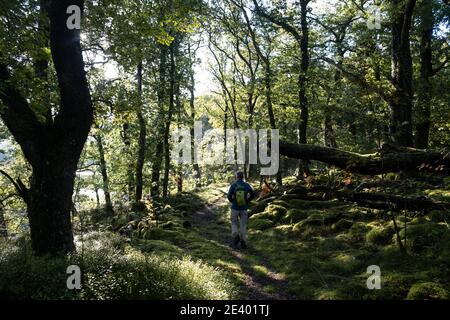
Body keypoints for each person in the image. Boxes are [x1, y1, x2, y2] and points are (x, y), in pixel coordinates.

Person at [227, 171, 255, 249]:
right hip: (244, 208)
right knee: (243, 225)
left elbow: (229, 196)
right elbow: (253, 194)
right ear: (243, 177)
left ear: (236, 177)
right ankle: (243, 241)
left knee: (234, 222)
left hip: (235, 208)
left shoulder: (233, 185)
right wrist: (247, 201)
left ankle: (236, 234)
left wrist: (232, 201)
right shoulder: (246, 185)